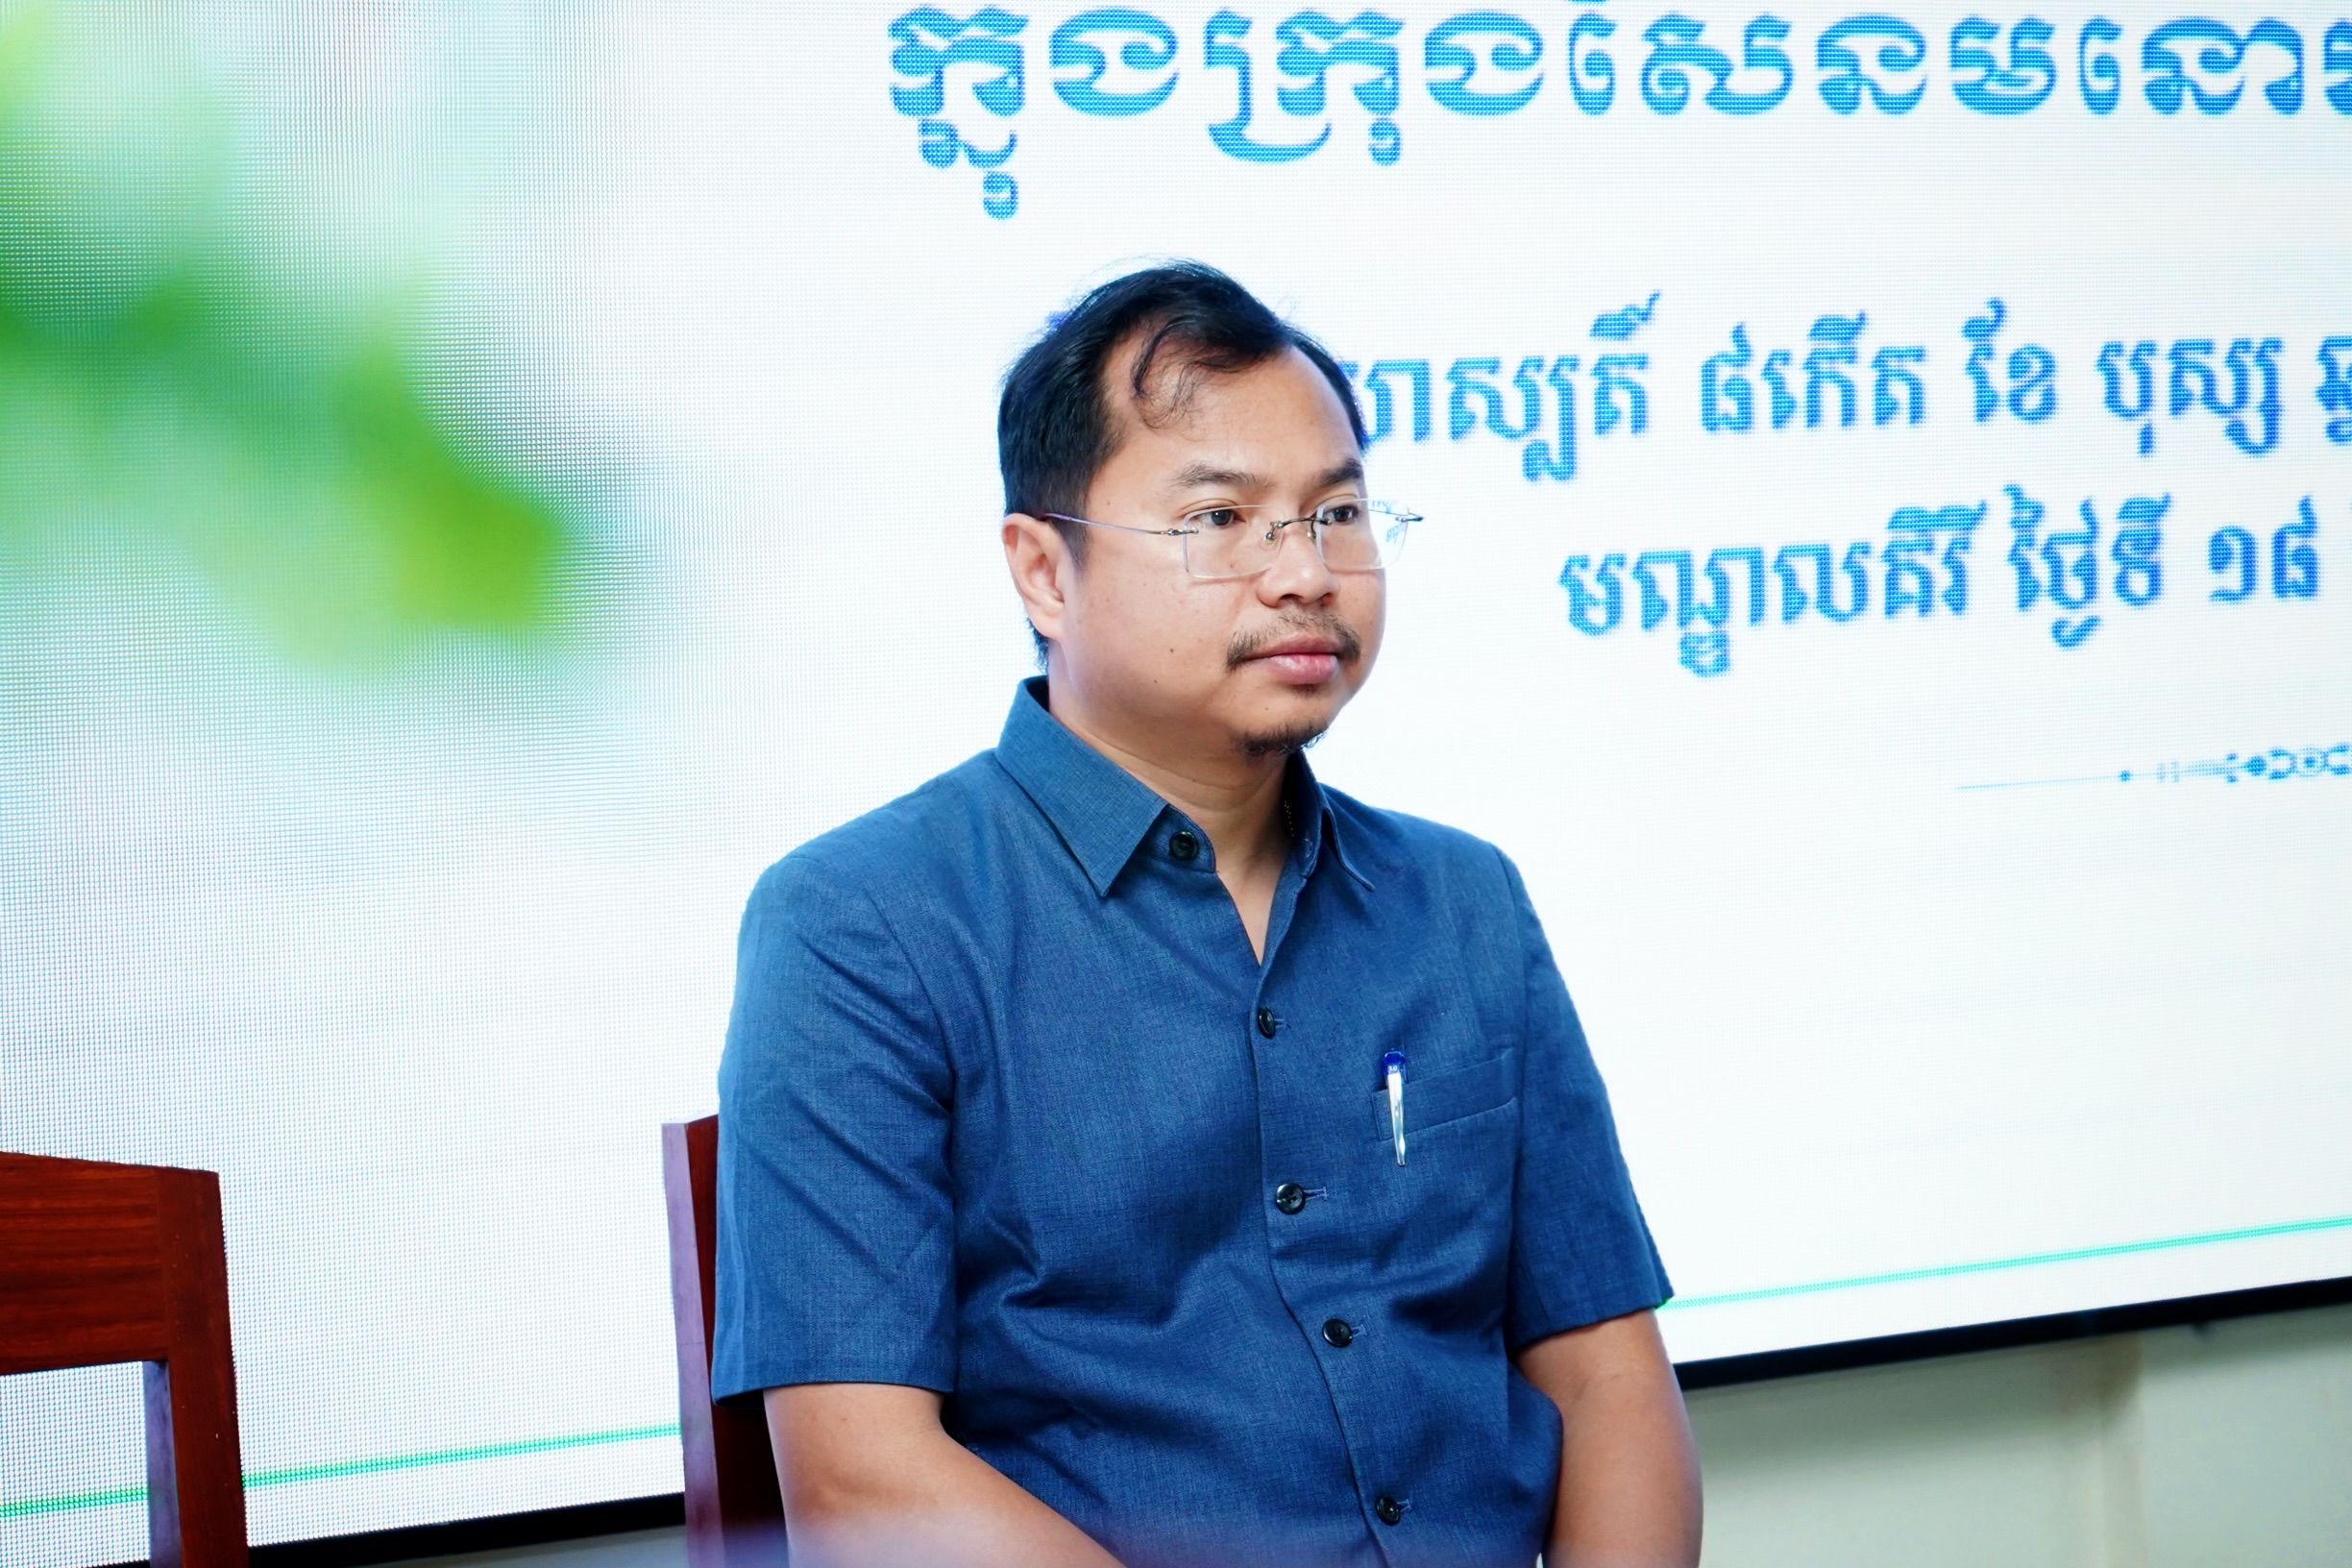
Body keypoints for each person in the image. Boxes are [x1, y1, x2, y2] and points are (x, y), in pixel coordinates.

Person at [712, 262, 1700, 1568]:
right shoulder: (862, 924)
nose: (1304, 573)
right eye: (1220, 519)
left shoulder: (1465, 904)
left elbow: (1611, 1381)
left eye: (1336, 512)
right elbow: (863, 1484)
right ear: (1043, 571)